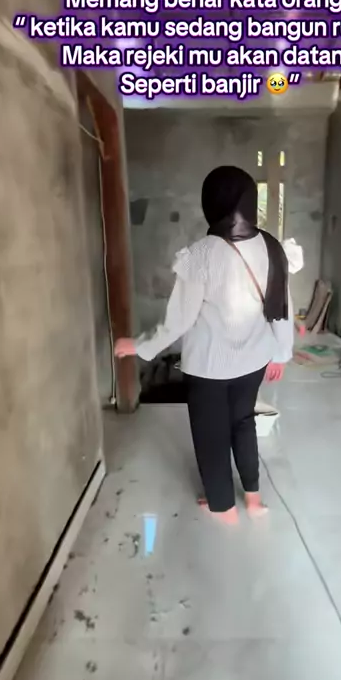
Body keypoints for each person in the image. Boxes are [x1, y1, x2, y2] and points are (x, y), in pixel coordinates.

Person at [115, 166, 295, 525]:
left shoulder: (200, 255)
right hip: (254, 361)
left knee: (211, 436)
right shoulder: (271, 247)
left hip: (209, 367)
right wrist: (282, 353)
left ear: (210, 203)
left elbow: (178, 321)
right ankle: (254, 500)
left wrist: (137, 345)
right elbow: (282, 308)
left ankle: (223, 507)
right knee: (243, 423)